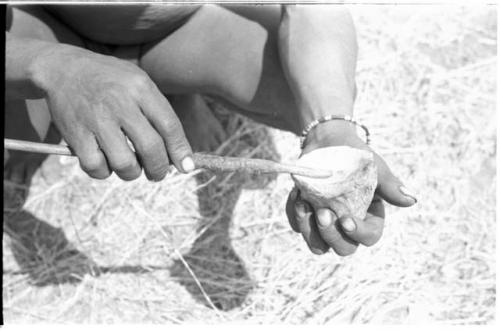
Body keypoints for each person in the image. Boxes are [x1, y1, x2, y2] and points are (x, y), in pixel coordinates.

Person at [5, 3, 417, 257]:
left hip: (179, 29)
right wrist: (53, 67)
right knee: (14, 141)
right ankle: (79, 88)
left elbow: (314, 9)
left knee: (315, 91)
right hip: (39, 22)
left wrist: (332, 129)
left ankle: (172, 87)